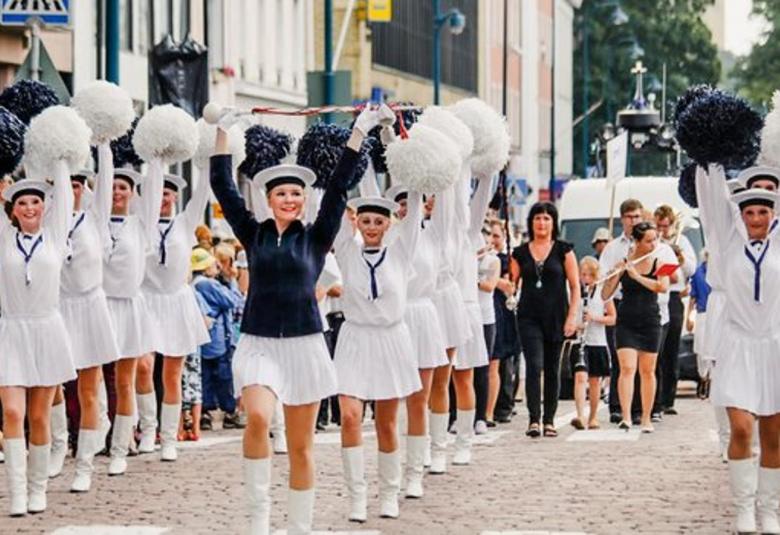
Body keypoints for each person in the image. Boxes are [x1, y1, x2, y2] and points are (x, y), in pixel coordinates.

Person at [209, 105, 382, 533]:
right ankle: (258, 520)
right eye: (281, 194)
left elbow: (340, 184)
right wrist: (223, 133)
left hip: (305, 345)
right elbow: (221, 186)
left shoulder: (317, 237)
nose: (290, 199)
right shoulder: (253, 234)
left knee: (303, 448)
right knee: (260, 418)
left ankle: (299, 528)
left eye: (296, 194)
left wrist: (358, 131)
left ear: (304, 201)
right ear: (269, 201)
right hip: (258, 342)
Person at [697, 165, 780, 534]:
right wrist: (710, 161)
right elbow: (713, 203)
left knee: (774, 434)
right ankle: (744, 507)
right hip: (738, 343)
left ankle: (770, 510)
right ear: (741, 215)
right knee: (743, 428)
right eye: (750, 212)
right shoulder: (728, 241)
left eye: (764, 211)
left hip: (775, 344)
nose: (757, 218)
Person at [334, 192, 423, 521]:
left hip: (390, 339)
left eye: (378, 221)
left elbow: (413, 212)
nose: (371, 227)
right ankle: (356, 496)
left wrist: (412, 164)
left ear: (389, 224)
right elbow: (329, 205)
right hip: (355, 338)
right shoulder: (346, 251)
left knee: (386, 423)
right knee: (350, 417)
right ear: (356, 222)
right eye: (365, 221)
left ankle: (389, 492)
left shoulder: (400, 252)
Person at [1, 177, 77, 516]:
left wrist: (59, 156)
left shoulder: (56, 236)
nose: (29, 208)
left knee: (38, 414)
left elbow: (63, 192)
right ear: (12, 211)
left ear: (44, 207)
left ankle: (37, 489)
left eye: (35, 202)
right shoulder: (4, 238)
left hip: (47, 328)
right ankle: (16, 492)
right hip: (11, 329)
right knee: (13, 413)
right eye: (22, 204)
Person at [135, 171, 211, 461]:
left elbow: (202, 191)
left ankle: (168, 437)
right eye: (158, 193)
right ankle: (147, 429)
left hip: (176, 301)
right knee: (143, 366)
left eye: (167, 194)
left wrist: (207, 157)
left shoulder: (185, 222)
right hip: (147, 300)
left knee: (172, 373)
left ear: (175, 197)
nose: (163, 199)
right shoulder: (141, 224)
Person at [58, 159, 121, 492]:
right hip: (60, 307)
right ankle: (57, 442)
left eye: (77, 185)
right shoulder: (52, 219)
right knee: (53, 383)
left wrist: (104, 141)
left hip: (91, 305)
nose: (72, 190)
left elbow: (107, 179)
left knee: (88, 385)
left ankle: (84, 467)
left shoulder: (95, 218)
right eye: (66, 185)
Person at [383, 184, 448, 499]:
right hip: (395, 318)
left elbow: (452, 201)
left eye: (413, 202)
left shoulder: (434, 234)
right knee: (391, 401)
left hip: (423, 316)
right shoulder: (388, 237)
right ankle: (392, 472)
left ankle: (416, 470)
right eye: (402, 204)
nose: (407, 209)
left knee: (419, 400)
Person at [103, 165, 164, 476]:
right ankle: (94, 433)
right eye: (111, 187)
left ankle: (121, 445)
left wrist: (156, 157)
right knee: (93, 379)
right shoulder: (94, 222)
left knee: (125, 379)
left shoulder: (141, 224)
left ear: (132, 193)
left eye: (123, 187)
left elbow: (153, 190)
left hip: (129, 306)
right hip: (98, 306)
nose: (116, 192)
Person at [510, 202, 580, 438]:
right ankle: (533, 419)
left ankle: (549, 419)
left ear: (553, 223)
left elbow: (575, 285)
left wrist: (572, 316)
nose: (542, 223)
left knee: (552, 368)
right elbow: (512, 283)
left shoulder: (563, 250)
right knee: (534, 365)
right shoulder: (520, 253)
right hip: (529, 316)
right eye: (538, 218)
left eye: (547, 219)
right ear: (531, 222)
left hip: (557, 315)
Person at [601, 221, 670, 433]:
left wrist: (637, 276)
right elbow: (605, 294)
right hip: (627, 321)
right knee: (627, 369)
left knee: (648, 371)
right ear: (637, 242)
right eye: (648, 241)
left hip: (650, 321)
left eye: (654, 240)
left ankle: (647, 418)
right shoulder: (624, 262)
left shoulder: (660, 261)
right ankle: (627, 416)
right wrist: (615, 274)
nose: (652, 244)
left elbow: (662, 286)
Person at [598, 199, 643, 424]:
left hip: (642, 306)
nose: (633, 221)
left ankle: (637, 408)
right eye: (629, 217)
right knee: (619, 361)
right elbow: (603, 279)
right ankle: (616, 406)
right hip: (619, 305)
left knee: (639, 362)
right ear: (622, 219)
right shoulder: (613, 247)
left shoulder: (649, 244)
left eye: (637, 217)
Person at [654, 204, 697, 416]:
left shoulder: (683, 242)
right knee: (657, 350)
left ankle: (668, 399)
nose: (662, 231)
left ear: (671, 225)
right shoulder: (652, 242)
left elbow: (691, 270)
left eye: (665, 226)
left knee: (671, 349)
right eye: (658, 226)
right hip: (655, 296)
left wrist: (679, 259)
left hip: (673, 297)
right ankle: (655, 397)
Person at [571, 256, 615, 430]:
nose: (586, 278)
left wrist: (594, 318)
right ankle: (580, 415)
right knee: (580, 377)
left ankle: (593, 416)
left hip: (597, 340)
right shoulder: (575, 291)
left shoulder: (603, 292)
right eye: (583, 274)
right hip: (580, 341)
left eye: (590, 275)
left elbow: (612, 318)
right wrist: (577, 324)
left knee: (595, 380)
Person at [488, 220, 520, 425]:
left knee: (504, 361)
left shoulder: (508, 259)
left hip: (501, 311)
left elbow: (512, 287)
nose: (492, 240)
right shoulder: (480, 257)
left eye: (497, 236)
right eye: (490, 235)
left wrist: (499, 282)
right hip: (485, 308)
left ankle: (504, 405)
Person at [474, 227, 501, 434]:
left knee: (483, 368)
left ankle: (481, 416)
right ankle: (457, 415)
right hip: (466, 316)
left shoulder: (492, 260)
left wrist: (471, 279)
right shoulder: (463, 257)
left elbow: (490, 285)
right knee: (460, 368)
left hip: (485, 318)